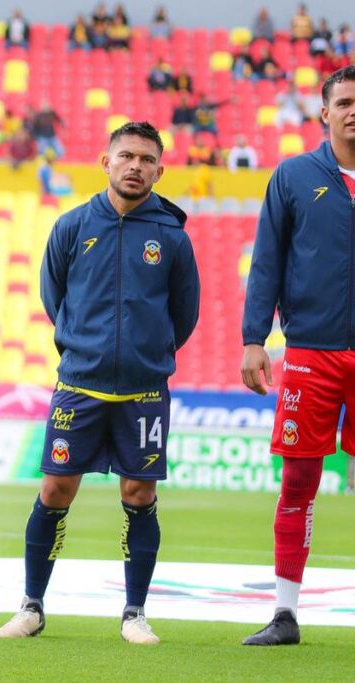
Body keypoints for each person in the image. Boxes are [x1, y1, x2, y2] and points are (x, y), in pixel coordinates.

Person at [0, 121, 200, 645]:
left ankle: (134, 614)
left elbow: (185, 315)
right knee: (55, 489)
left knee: (139, 493)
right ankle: (32, 606)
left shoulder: (173, 237)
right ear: (105, 163)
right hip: (79, 386)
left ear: (160, 168)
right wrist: (85, 346)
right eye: (126, 156)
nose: (135, 166)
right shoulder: (71, 226)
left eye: (146, 159)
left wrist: (145, 353)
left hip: (144, 389)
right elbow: (53, 296)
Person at [240, 66, 355, 647]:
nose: (353, 111)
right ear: (325, 113)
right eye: (345, 102)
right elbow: (267, 262)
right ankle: (285, 614)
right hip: (312, 350)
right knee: (300, 480)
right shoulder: (293, 176)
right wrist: (254, 337)